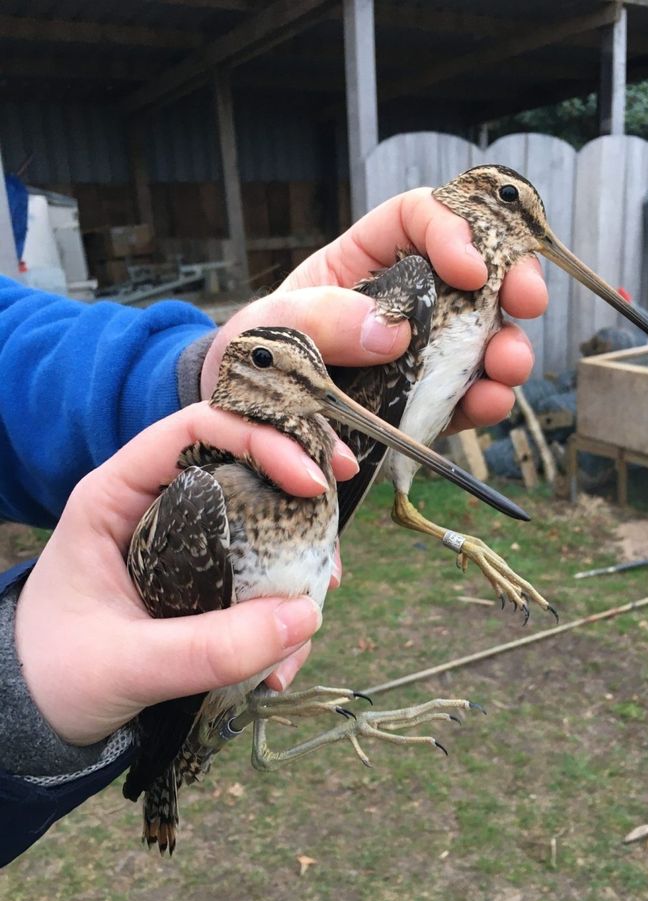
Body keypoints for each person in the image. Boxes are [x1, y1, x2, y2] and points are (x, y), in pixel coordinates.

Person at [0, 186, 546, 865]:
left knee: (263, 673)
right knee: (244, 684)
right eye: (277, 371)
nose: (329, 403)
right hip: (172, 707)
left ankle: (262, 710)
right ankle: (251, 721)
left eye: (321, 383)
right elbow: (178, 668)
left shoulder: (305, 450)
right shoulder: (201, 501)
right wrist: (21, 699)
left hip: (229, 668)